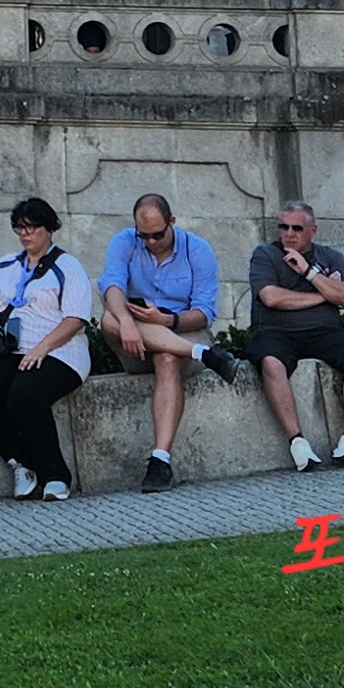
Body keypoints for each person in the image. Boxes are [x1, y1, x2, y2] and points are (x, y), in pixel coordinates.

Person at [100, 191, 239, 489]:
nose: (150, 242)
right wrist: (127, 321)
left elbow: (203, 313)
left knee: (166, 358)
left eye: (157, 235)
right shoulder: (124, 242)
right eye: (143, 236)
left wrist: (166, 321)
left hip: (181, 330)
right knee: (109, 319)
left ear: (172, 222)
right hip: (136, 338)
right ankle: (204, 354)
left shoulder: (197, 250)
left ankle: (160, 461)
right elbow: (111, 286)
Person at [0, 198, 97, 500]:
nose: (25, 234)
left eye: (32, 227)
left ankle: (56, 475)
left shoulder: (68, 267)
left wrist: (42, 347)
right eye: (20, 228)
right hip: (11, 351)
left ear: (49, 229)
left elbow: (75, 318)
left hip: (59, 352)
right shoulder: (5, 266)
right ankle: (21, 462)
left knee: (25, 394)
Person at [248, 202, 344, 469]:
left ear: (312, 230)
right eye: (283, 227)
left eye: (297, 228)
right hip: (276, 331)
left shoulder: (330, 256)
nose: (289, 234)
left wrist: (309, 272)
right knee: (270, 361)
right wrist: (325, 294)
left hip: (324, 332)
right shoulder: (265, 255)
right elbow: (271, 297)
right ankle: (297, 442)